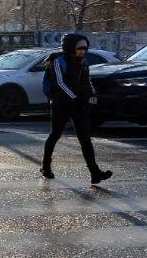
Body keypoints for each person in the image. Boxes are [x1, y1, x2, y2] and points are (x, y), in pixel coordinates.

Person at [42, 33, 113, 185]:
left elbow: (87, 81)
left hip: (79, 105)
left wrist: (92, 96)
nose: (82, 51)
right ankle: (46, 166)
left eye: (84, 48)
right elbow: (60, 83)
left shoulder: (83, 62)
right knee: (55, 134)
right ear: (70, 47)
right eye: (79, 48)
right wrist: (74, 98)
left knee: (85, 139)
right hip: (61, 104)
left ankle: (95, 173)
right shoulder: (58, 61)